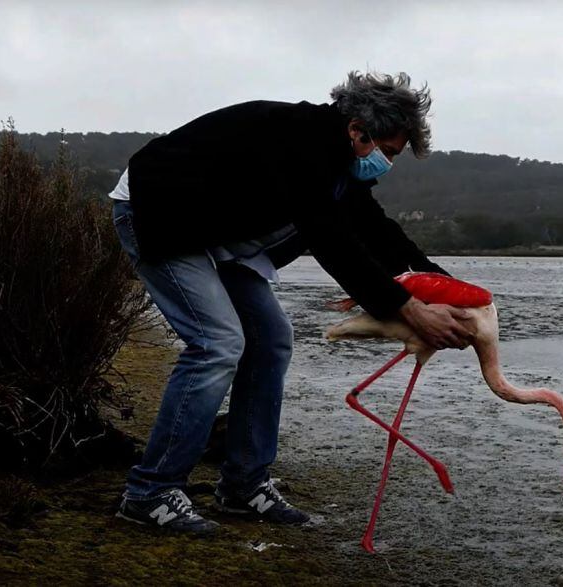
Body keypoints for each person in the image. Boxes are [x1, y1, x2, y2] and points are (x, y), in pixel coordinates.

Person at [110, 71, 472, 534]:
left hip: (217, 233)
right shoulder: (300, 141)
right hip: (157, 215)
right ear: (359, 130)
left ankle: (243, 485)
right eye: (389, 152)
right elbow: (332, 241)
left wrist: (447, 289)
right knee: (218, 343)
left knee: (272, 341)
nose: (387, 164)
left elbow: (373, 229)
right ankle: (150, 492)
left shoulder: (337, 160)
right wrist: (409, 309)